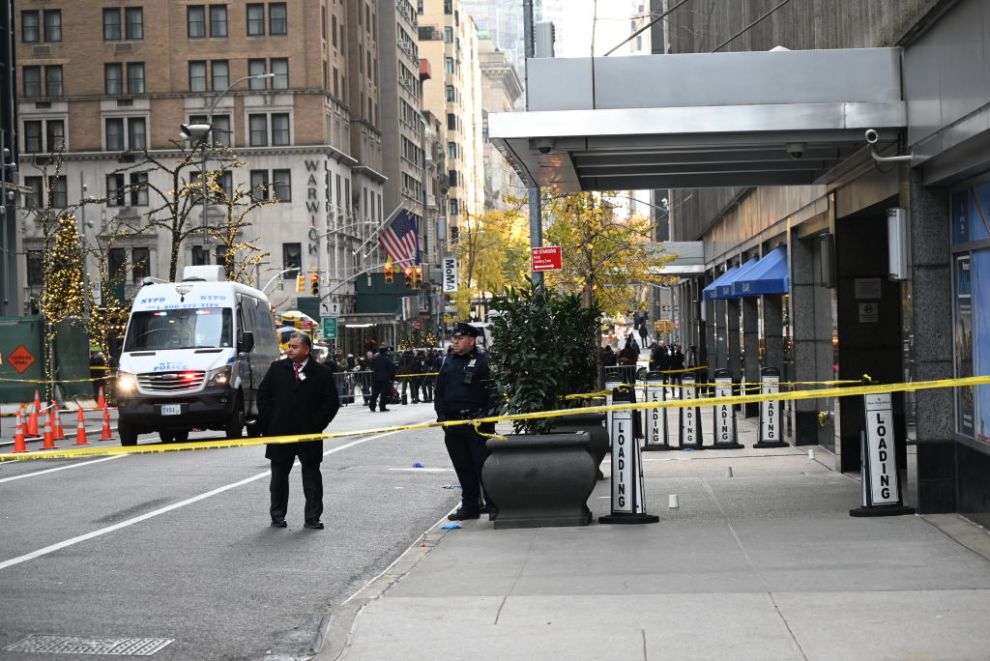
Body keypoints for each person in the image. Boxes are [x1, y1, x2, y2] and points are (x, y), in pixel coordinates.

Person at [257, 332, 340, 530]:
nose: (289, 350)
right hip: (280, 433)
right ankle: (277, 515)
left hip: (308, 434)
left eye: (294, 347)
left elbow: (331, 403)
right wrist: (271, 421)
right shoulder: (277, 368)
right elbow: (263, 395)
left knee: (311, 477)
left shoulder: (321, 373)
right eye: (289, 346)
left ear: (306, 349)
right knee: (278, 478)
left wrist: (316, 424)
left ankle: (312, 517)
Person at [435, 322, 496, 520]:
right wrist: (442, 416)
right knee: (463, 467)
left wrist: (486, 417)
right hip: (453, 425)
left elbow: (494, 394)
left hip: (476, 424)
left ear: (472, 340)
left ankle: (494, 505)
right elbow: (439, 391)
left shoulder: (483, 362)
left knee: (483, 466)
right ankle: (470, 506)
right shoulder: (449, 361)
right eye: (455, 339)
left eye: (460, 339)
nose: (456, 342)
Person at [370, 346, 397, 411]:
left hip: (376, 378)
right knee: (383, 393)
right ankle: (382, 406)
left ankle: (372, 406)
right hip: (385, 379)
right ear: (385, 351)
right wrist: (392, 378)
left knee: (375, 393)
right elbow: (392, 369)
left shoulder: (375, 359)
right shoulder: (387, 359)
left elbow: (372, 367)